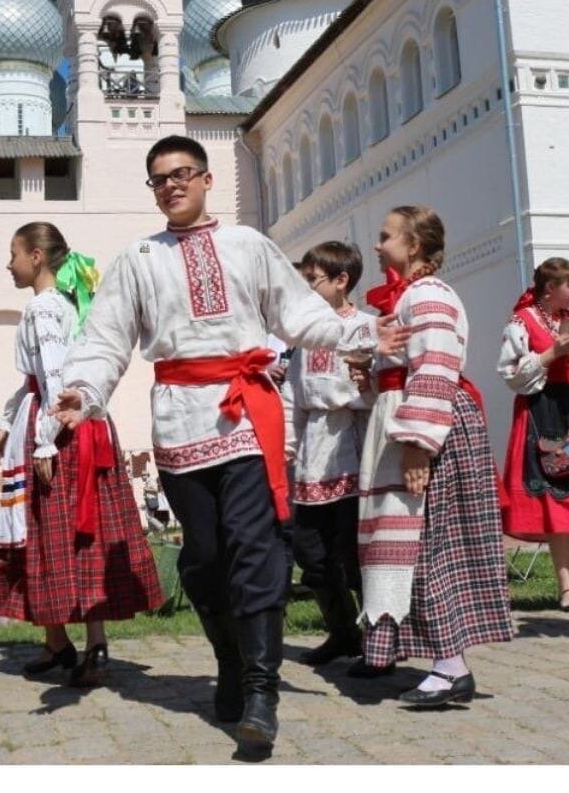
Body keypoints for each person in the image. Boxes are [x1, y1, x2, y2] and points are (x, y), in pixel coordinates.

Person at [51, 135, 407, 752]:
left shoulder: (248, 245)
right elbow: (106, 338)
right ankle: (228, 662)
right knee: (206, 559)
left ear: (207, 178)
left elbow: (300, 317)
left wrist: (363, 332)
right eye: (159, 179)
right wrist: (83, 394)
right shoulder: (139, 259)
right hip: (179, 422)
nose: (171, 185)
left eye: (182, 173)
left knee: (257, 549)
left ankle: (261, 690)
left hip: (246, 421)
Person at [0, 222, 162, 687]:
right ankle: (70, 643)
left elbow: (54, 377)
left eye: (14, 253)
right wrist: (7, 424)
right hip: (82, 423)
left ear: (37, 257)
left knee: (60, 532)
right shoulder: (65, 304)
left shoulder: (44, 308)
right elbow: (39, 381)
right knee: (82, 533)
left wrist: (44, 439)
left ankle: (86, 644)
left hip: (60, 427)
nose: (10, 264)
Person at [356, 206, 512, 706]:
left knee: (429, 542)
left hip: (427, 424)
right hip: (404, 419)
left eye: (385, 236)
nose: (377, 246)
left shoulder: (428, 294)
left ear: (414, 245)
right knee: (405, 542)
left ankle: (451, 667)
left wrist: (418, 444)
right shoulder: (407, 298)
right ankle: (429, 657)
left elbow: (436, 365)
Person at [498, 257, 569, 612]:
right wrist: (551, 353)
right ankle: (566, 585)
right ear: (551, 289)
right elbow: (511, 374)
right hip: (544, 410)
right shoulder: (523, 322)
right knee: (558, 496)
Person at [282, 241, 375, 666]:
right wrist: (287, 442)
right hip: (312, 455)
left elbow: (374, 390)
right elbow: (292, 393)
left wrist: (348, 393)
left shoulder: (366, 327)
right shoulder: (304, 335)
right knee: (310, 553)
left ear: (341, 281)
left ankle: (378, 638)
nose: (305, 289)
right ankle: (341, 632)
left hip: (354, 450)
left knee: (354, 555)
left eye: (312, 280)